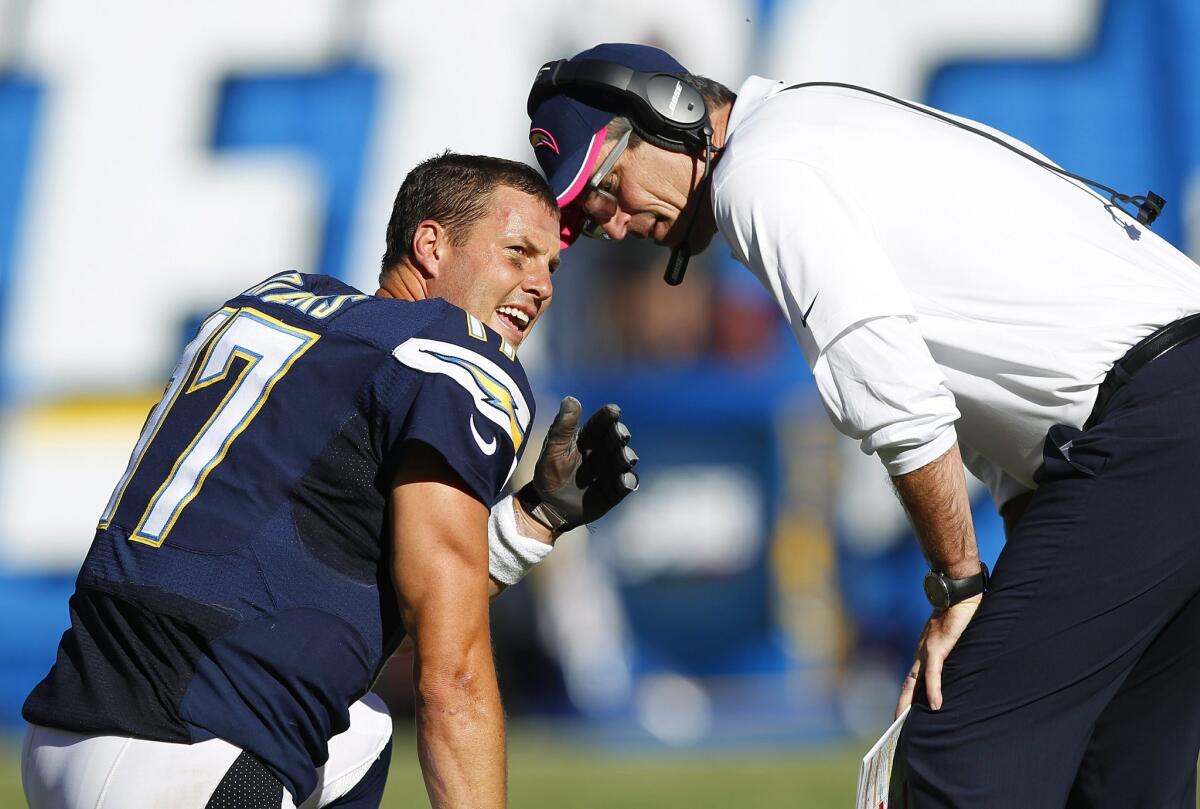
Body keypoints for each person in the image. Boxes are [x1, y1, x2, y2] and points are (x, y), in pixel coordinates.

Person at [523, 42, 1200, 807]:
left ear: (669, 110)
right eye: (586, 215)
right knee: (1122, 772)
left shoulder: (759, 175)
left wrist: (961, 590)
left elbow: (901, 398)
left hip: (1155, 429)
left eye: (606, 185)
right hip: (1162, 421)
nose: (609, 225)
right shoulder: (808, 129)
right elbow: (1001, 392)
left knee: (955, 747)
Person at [20, 152, 640, 809]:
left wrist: (534, 517)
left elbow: (340, 587)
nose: (540, 283)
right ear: (430, 243)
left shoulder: (278, 306)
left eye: (551, 265)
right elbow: (451, 670)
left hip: (71, 729)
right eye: (518, 252)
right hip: (194, 754)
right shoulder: (453, 357)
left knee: (359, 734)